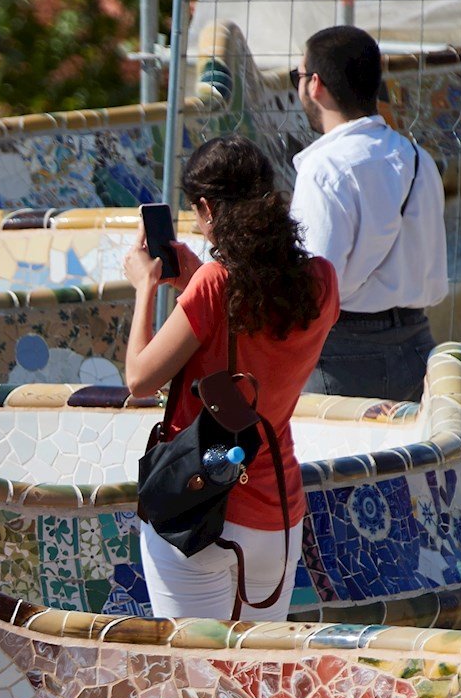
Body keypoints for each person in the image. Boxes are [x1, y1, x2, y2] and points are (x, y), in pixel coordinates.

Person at [123, 136, 339, 623]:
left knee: (196, 686)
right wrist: (197, 281)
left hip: (203, 506)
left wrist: (144, 288)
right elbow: (259, 320)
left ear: (206, 208)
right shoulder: (322, 280)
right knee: (254, 683)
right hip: (278, 517)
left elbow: (139, 377)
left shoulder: (215, 284)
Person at [288, 24, 446, 402]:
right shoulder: (418, 160)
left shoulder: (324, 169)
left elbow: (315, 288)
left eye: (299, 74)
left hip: (342, 358)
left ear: (316, 85)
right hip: (418, 349)